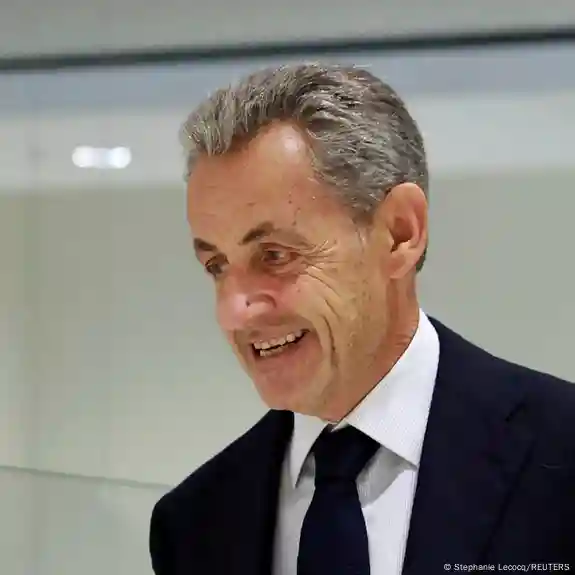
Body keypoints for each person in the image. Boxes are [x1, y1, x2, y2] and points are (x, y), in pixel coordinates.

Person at [148, 63, 575, 575]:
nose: (234, 311)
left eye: (275, 255)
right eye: (216, 266)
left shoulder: (561, 454)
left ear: (399, 233)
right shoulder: (193, 525)